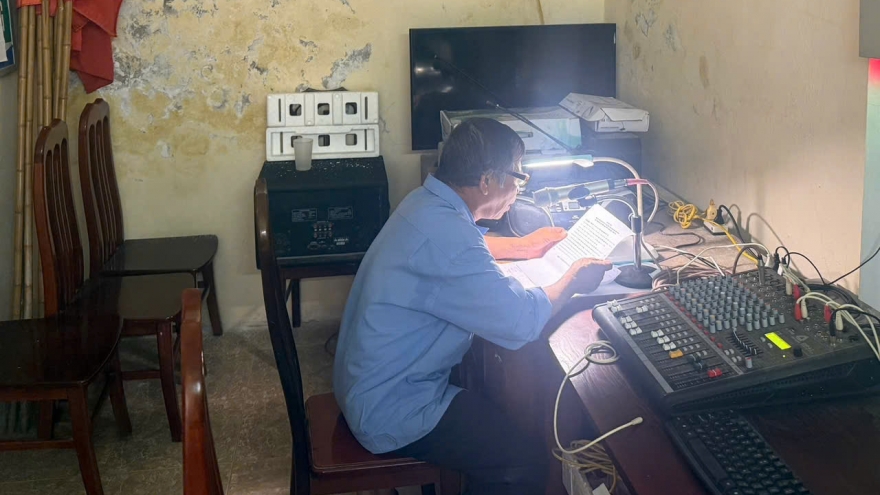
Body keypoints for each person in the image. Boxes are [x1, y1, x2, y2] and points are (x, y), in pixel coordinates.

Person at [333, 118, 612, 494]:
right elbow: (520, 322)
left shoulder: (424, 202)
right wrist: (572, 280)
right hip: (392, 408)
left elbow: (457, 246)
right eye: (518, 175)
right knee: (522, 460)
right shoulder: (450, 239)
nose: (520, 187)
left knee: (491, 399)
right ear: (486, 181)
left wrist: (521, 246)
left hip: (368, 383)